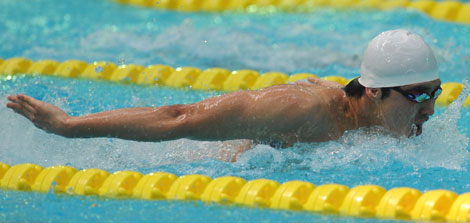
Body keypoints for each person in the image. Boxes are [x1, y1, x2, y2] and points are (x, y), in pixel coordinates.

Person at [6, 29, 442, 151]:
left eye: (435, 93)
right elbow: (180, 117)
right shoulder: (298, 110)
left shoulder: (378, 123)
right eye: (419, 96)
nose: (431, 111)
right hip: (220, 156)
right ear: (373, 92)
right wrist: (66, 125)